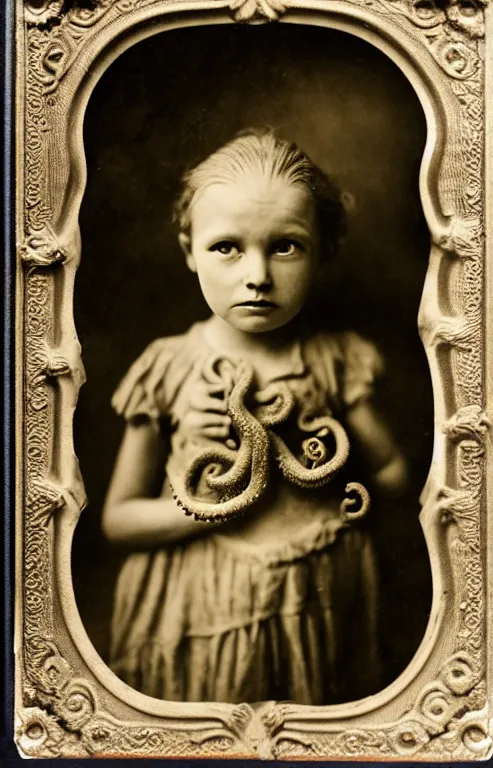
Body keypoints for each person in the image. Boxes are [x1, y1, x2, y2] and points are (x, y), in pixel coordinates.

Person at [102, 129, 407, 705]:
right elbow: (118, 520)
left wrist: (328, 456)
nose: (258, 275)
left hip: (321, 590)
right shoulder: (170, 369)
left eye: (286, 246)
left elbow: (393, 478)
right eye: (227, 247)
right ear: (190, 250)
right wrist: (214, 504)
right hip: (202, 598)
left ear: (325, 253)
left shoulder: (336, 360)